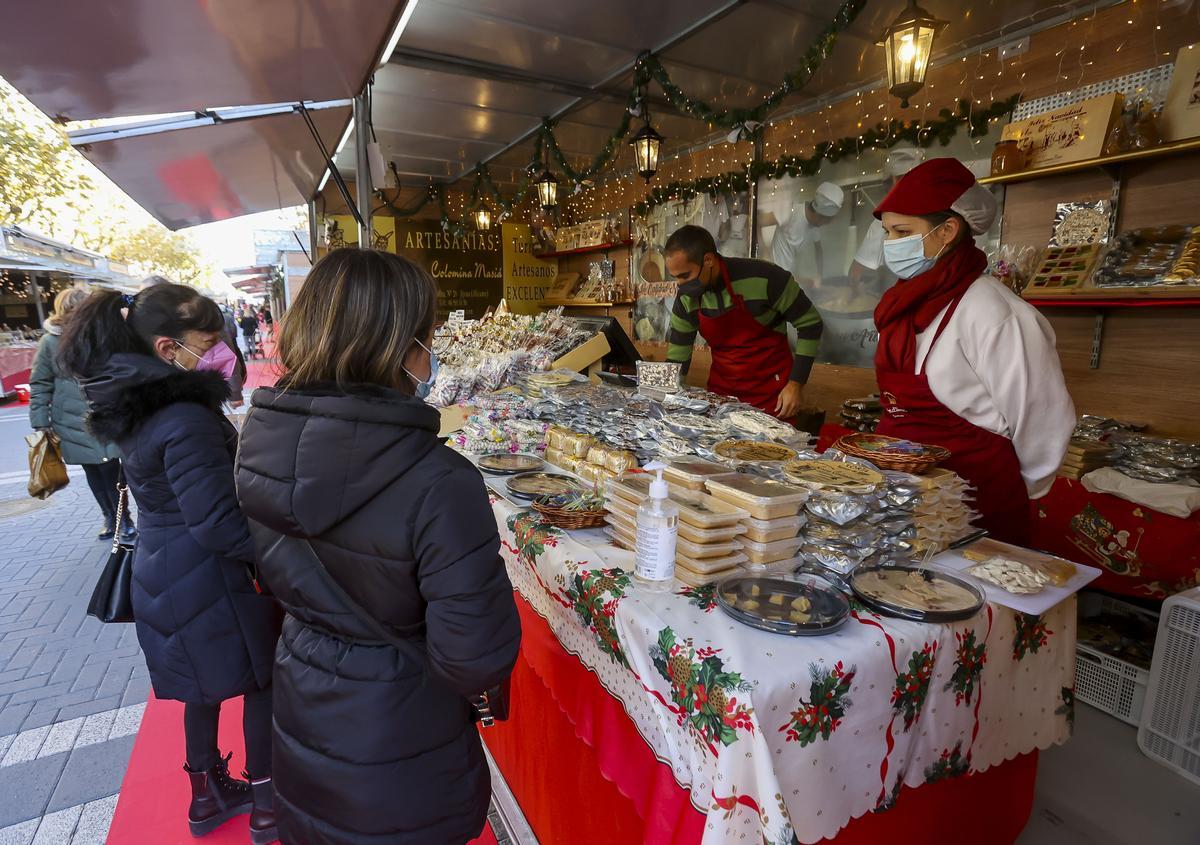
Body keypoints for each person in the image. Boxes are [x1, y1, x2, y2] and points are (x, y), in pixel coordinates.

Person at [236, 248, 521, 845]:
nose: (431, 353)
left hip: (306, 702)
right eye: (428, 337)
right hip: (403, 740)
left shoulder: (257, 449)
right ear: (401, 349)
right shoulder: (441, 481)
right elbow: (473, 655)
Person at [58, 283, 280, 844]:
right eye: (208, 341)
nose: (221, 350)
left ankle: (206, 796)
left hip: (165, 566)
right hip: (209, 576)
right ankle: (267, 803)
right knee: (260, 681)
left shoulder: (140, 409)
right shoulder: (185, 418)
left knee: (201, 687)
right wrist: (279, 555)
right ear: (166, 348)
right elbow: (217, 524)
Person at [871, 157, 1076, 546]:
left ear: (948, 230)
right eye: (887, 233)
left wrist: (1012, 491)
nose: (891, 246)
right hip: (904, 498)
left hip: (977, 504)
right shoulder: (904, 304)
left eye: (902, 232)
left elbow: (1043, 420)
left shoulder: (994, 312)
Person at [664, 225, 823, 419]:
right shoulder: (686, 298)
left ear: (708, 260)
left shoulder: (766, 277)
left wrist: (796, 384)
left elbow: (810, 323)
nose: (679, 285)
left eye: (685, 275)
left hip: (774, 397)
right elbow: (678, 356)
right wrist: (667, 398)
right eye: (675, 278)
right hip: (722, 398)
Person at [28, 288, 133, 541]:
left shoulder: (104, 334)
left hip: (106, 412)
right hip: (72, 420)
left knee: (112, 469)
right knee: (94, 471)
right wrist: (41, 422)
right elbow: (41, 383)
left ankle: (122, 517)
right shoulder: (51, 341)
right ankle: (111, 516)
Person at [849, 143, 924, 291]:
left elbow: (855, 272)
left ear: (894, 181)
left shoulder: (883, 222)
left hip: (901, 300)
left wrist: (855, 294)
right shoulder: (940, 215)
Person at [758, 181, 845, 286]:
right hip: (774, 278)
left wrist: (819, 275)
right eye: (827, 221)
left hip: (787, 277)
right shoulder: (790, 213)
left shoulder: (815, 226)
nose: (826, 224)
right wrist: (763, 251)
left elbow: (819, 250)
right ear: (819, 215)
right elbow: (757, 221)